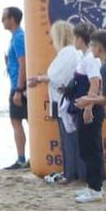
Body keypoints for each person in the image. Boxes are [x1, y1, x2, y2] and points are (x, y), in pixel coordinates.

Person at [27, 20, 83, 184]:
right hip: (66, 100)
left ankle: (70, 173)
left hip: (64, 102)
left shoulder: (68, 53)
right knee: (70, 138)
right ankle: (72, 172)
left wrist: (39, 79)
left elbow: (57, 78)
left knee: (69, 139)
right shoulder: (73, 53)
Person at [66, 25, 106, 202]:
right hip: (86, 106)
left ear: (81, 39)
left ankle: (95, 189)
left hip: (89, 108)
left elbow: (95, 83)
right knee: (88, 147)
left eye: (75, 37)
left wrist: (89, 107)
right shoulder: (86, 57)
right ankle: (93, 186)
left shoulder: (90, 59)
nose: (74, 41)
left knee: (91, 149)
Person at [1, 6, 29, 170]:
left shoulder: (19, 37)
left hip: (19, 86)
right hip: (18, 83)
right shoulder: (16, 37)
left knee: (17, 121)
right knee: (22, 121)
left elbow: (23, 63)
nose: (2, 21)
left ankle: (21, 159)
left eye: (4, 18)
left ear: (12, 19)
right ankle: (24, 158)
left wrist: (19, 89)